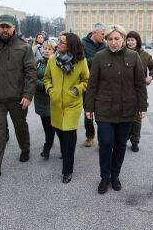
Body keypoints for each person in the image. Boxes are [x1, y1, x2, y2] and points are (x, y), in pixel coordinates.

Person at [85, 25, 147, 194]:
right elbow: (92, 84)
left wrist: (142, 106)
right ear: (106, 40)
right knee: (105, 143)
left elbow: (140, 84)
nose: (113, 42)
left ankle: (115, 176)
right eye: (110, 39)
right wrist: (88, 107)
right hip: (104, 109)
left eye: (117, 39)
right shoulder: (99, 57)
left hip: (127, 110)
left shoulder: (133, 57)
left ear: (123, 40)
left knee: (120, 145)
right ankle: (104, 177)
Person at [0, 14, 36, 182]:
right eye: (2, 26)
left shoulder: (24, 47)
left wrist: (27, 95)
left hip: (17, 98)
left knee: (20, 126)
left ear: (13, 28)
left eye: (7, 27)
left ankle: (25, 148)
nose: (4, 29)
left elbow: (31, 74)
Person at [44, 33, 89, 183]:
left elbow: (86, 80)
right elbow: (46, 78)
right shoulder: (52, 60)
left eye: (63, 42)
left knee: (69, 137)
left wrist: (76, 90)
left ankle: (67, 170)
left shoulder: (81, 62)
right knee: (60, 132)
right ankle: (64, 151)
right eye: (59, 41)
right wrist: (50, 90)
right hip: (56, 103)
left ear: (71, 45)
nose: (59, 44)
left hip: (72, 104)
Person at [126, 31, 153, 152]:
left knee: (137, 118)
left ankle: (135, 141)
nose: (130, 42)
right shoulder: (122, 53)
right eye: (128, 40)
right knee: (125, 117)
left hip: (139, 91)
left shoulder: (144, 55)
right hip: (124, 90)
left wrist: (151, 77)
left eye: (132, 40)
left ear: (137, 41)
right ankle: (124, 138)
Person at [80, 23, 106, 147]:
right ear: (94, 33)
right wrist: (98, 58)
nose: (104, 37)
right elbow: (82, 62)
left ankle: (102, 139)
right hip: (88, 84)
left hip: (102, 84)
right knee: (88, 112)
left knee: (102, 113)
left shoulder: (104, 45)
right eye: (102, 34)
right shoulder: (83, 44)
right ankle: (90, 136)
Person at [35, 40, 58, 159]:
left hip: (52, 99)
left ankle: (47, 147)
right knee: (45, 124)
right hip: (40, 99)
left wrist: (46, 85)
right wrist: (43, 85)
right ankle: (49, 142)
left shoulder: (57, 63)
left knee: (53, 126)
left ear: (54, 51)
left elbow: (57, 81)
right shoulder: (39, 62)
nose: (46, 51)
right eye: (45, 48)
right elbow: (33, 78)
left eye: (49, 49)